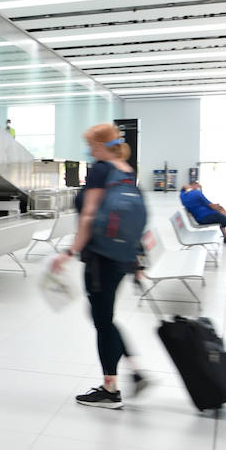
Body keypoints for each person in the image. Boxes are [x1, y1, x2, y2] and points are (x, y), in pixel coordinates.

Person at [51, 124, 147, 409]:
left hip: (99, 256)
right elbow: (138, 218)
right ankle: (134, 368)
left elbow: (90, 215)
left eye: (91, 143)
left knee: (103, 321)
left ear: (101, 144)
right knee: (103, 315)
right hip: (121, 256)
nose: (88, 149)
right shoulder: (127, 170)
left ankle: (111, 389)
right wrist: (137, 258)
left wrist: (70, 251)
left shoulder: (100, 169)